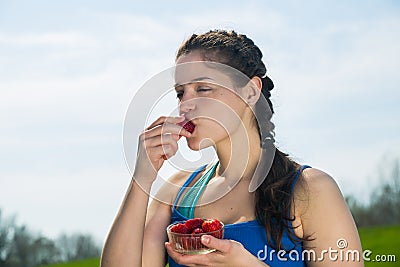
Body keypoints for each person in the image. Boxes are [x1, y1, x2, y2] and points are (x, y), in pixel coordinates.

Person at [100, 30, 363, 267]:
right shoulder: (175, 194)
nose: (184, 105)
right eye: (181, 93)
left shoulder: (310, 190)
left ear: (251, 92)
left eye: (203, 88)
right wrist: (142, 178)